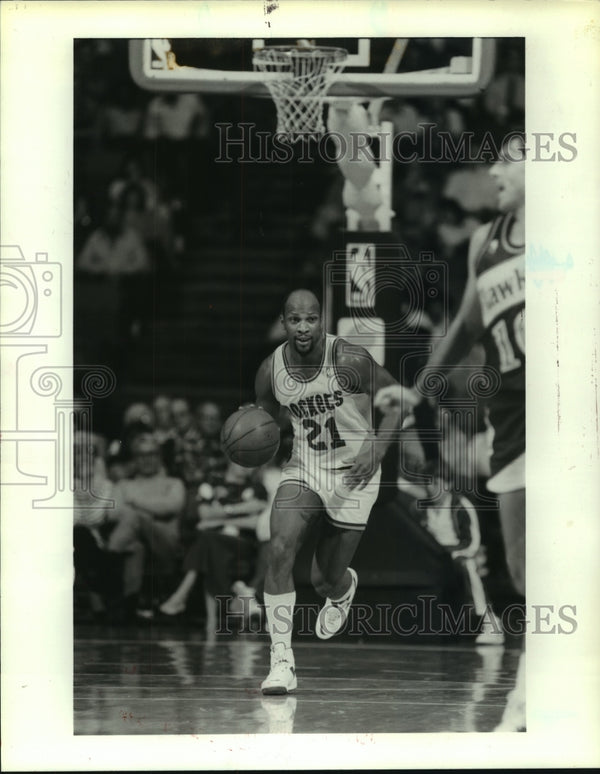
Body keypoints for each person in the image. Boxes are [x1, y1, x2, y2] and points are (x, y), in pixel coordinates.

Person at [377, 133, 526, 730]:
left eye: (510, 159)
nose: (495, 169)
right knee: (523, 572)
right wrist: (418, 392)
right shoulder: (483, 245)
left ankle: (530, 694)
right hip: (511, 421)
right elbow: (465, 327)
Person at [254, 289, 417, 694]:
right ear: (283, 321)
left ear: (321, 320)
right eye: (295, 320)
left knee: (324, 580)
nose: (303, 327)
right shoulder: (269, 371)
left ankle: (341, 592)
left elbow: (398, 402)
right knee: (278, 548)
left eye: (311, 319)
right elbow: (265, 426)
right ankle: (281, 661)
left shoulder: (348, 358)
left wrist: (376, 449)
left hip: (355, 472)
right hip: (305, 468)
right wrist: (250, 439)